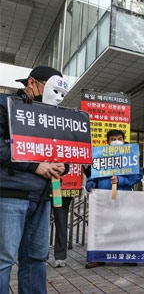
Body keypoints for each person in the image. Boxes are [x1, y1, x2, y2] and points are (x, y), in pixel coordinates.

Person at [0, 66, 69, 293]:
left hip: (42, 197)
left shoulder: (56, 117)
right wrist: (34, 166)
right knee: (4, 260)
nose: (57, 97)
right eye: (51, 89)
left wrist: (63, 166)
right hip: (10, 195)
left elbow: (65, 151)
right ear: (31, 83)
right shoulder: (5, 106)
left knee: (36, 258)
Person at [84, 129, 142, 268]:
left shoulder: (130, 155)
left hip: (123, 196)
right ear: (107, 141)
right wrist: (90, 183)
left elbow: (136, 176)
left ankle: (128, 256)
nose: (116, 140)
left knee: (125, 225)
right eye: (113, 138)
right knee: (101, 226)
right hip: (103, 196)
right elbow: (93, 173)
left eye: (119, 138)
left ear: (124, 140)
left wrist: (121, 180)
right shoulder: (100, 156)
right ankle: (98, 257)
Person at [52, 195, 73, 268]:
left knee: (61, 224)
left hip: (59, 192)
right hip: (46, 193)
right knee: (42, 226)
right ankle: (42, 256)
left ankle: (60, 257)